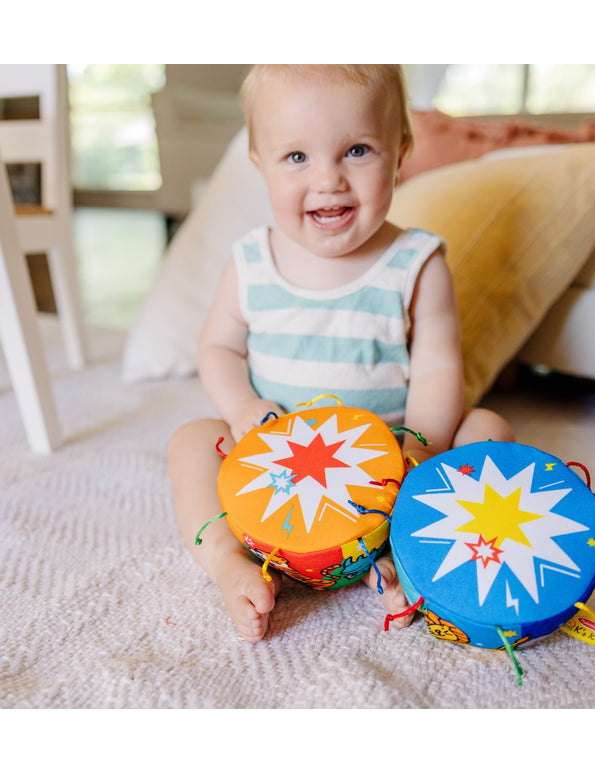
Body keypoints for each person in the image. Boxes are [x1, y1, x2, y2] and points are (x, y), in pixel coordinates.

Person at [167, 64, 514, 643]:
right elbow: (219, 347)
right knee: (191, 442)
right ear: (260, 164)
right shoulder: (251, 262)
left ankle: (409, 551)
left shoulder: (416, 262)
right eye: (297, 157)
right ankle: (230, 561)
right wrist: (243, 405)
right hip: (274, 475)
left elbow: (437, 364)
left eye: (356, 150)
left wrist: (419, 444)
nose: (328, 180)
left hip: (387, 468)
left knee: (487, 427)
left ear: (400, 153)